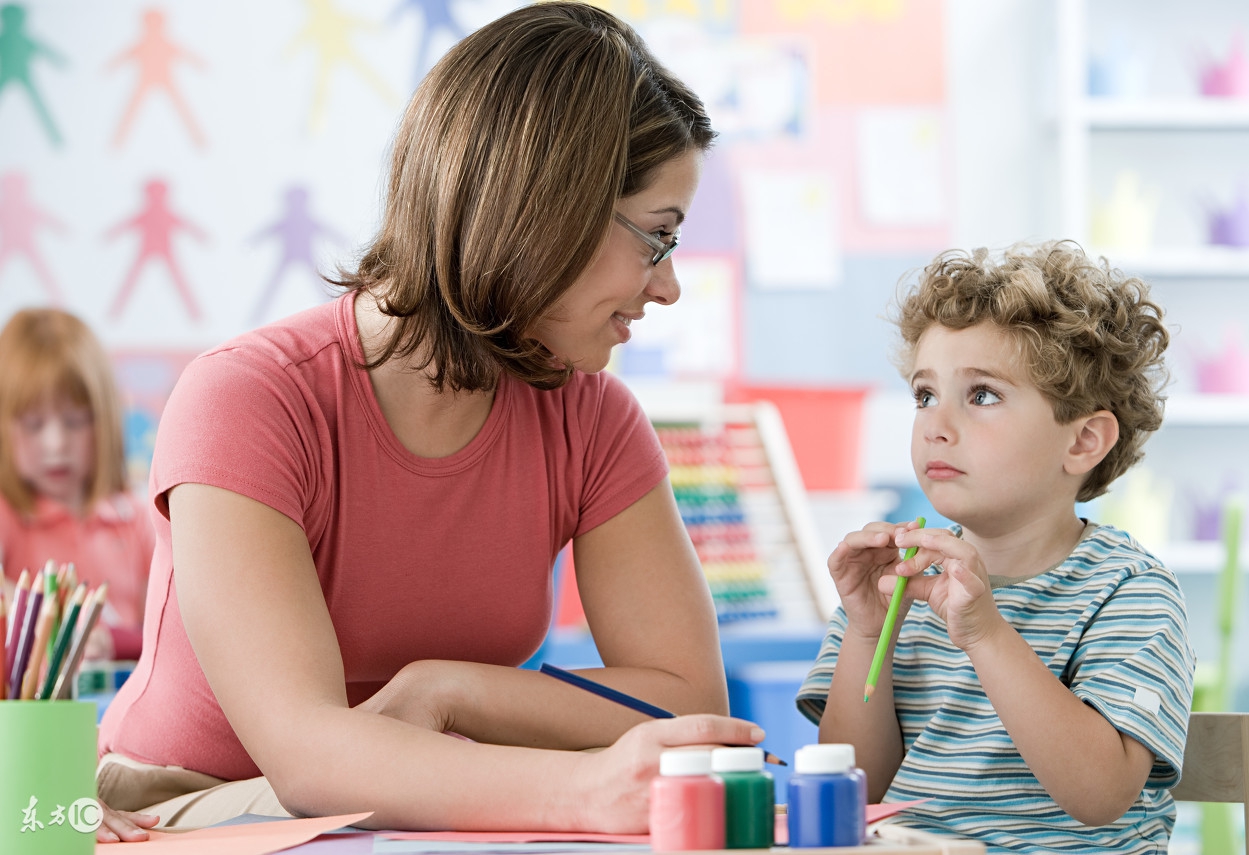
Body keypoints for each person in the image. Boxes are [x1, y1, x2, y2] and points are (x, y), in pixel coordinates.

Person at [96, 1, 759, 841]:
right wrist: (583, 789)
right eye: (657, 239)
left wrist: (453, 688)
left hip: (419, 811)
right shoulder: (247, 398)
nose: (666, 287)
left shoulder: (593, 418)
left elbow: (686, 701)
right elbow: (306, 757)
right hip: (185, 807)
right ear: (547, 208)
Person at [796, 242, 1195, 854]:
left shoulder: (1129, 590)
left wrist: (986, 633)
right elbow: (856, 794)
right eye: (924, 395)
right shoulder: (899, 582)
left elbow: (1100, 794)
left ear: (1084, 440)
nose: (936, 424)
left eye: (981, 395)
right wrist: (868, 632)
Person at [0, 308, 154, 662]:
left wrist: (113, 642)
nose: (56, 444)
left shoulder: (136, 519)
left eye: (75, 421)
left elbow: (170, 630)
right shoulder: (8, 512)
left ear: (105, 420)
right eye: (33, 424)